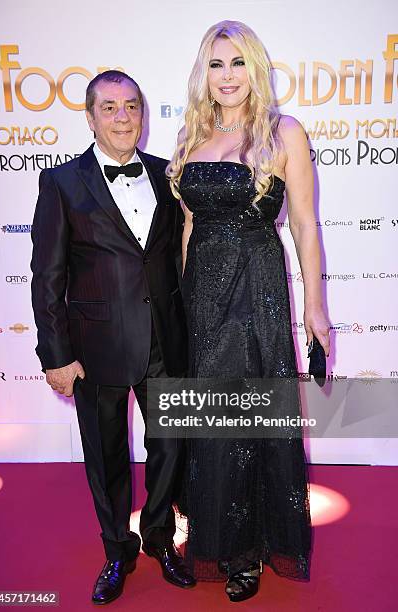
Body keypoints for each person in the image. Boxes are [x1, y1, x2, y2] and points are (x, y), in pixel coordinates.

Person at [166, 21, 330, 602]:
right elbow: (188, 225)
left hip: (255, 289)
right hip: (202, 297)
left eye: (237, 63)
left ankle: (252, 550)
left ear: (254, 69)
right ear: (203, 74)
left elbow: (306, 224)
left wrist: (316, 307)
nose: (227, 76)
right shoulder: (191, 136)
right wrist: (184, 306)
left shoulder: (283, 133)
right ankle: (217, 537)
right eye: (216, 64)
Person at [31, 70, 195, 606]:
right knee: (106, 459)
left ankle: (159, 540)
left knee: (170, 450)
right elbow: (48, 277)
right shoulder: (62, 183)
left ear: (143, 115)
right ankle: (117, 550)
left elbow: (175, 260)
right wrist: (55, 355)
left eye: (131, 106)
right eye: (110, 108)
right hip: (96, 346)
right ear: (90, 116)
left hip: (166, 342)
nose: (123, 117)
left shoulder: (166, 174)